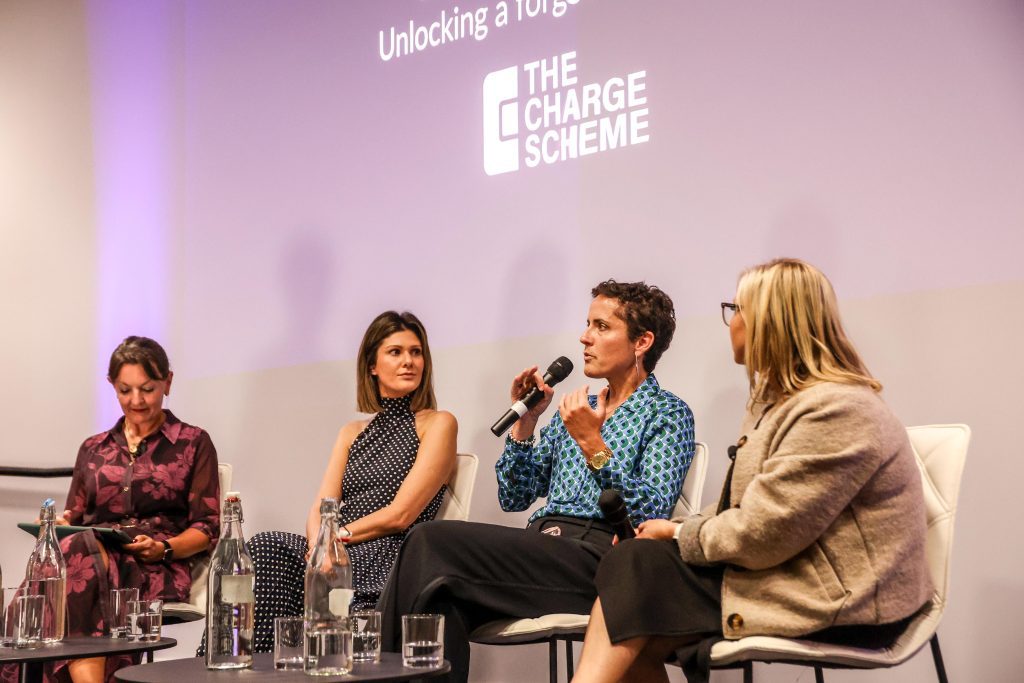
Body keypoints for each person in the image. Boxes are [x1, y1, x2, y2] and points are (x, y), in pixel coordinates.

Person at [572, 259, 934, 683]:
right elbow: (744, 509)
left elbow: (765, 533)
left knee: (635, 571)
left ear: (770, 320)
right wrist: (676, 530)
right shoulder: (778, 403)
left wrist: (678, 533)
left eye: (736, 309)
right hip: (788, 575)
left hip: (846, 602)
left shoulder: (836, 408)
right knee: (634, 588)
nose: (731, 322)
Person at [377, 280, 696, 683]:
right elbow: (515, 495)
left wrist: (593, 444)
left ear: (642, 342)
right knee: (438, 598)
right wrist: (526, 424)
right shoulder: (578, 408)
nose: (585, 337)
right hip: (543, 550)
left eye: (601, 327)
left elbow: (649, 513)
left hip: (603, 561)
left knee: (427, 539)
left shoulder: (667, 412)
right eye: (587, 324)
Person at [0, 336, 221, 683]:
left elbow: (207, 528)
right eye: (125, 390)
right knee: (72, 552)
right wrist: (57, 523)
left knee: (69, 563)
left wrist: (163, 547)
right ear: (111, 386)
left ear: (167, 382)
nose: (136, 401)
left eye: (147, 389)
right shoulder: (93, 448)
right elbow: (74, 515)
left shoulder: (193, 442)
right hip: (91, 557)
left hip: (153, 565)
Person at [235, 311, 457, 654]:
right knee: (266, 545)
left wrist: (335, 539)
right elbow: (322, 504)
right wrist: (317, 547)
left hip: (388, 550)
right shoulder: (352, 432)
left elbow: (401, 514)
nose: (409, 361)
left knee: (330, 571)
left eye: (416, 352)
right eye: (395, 352)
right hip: (336, 548)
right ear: (372, 365)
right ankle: (249, 664)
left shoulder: (438, 423)